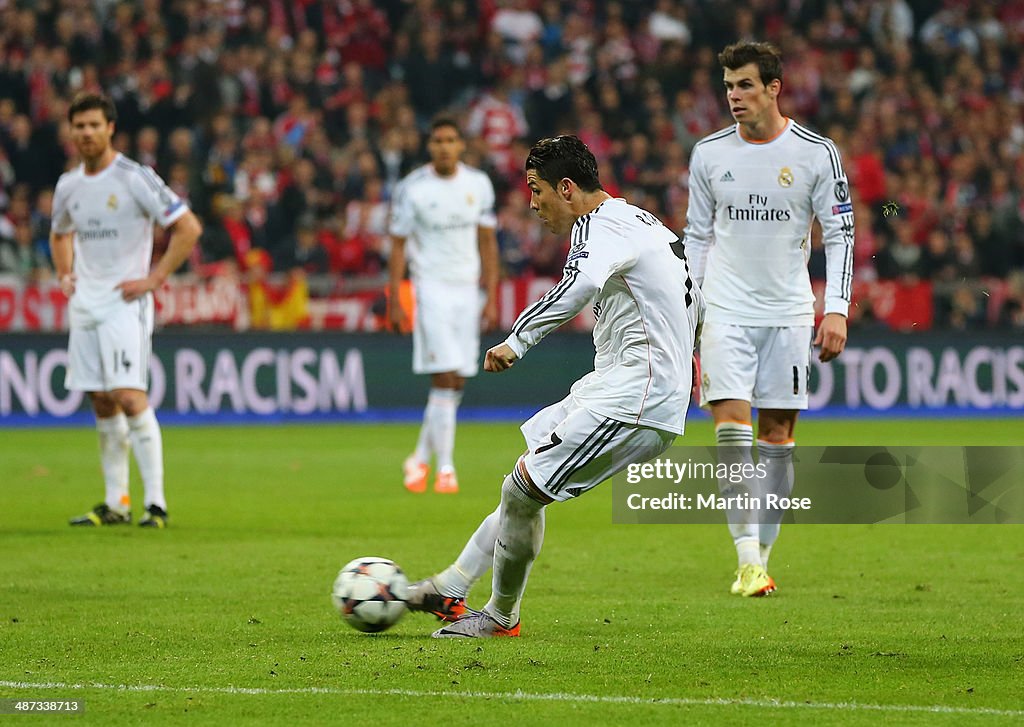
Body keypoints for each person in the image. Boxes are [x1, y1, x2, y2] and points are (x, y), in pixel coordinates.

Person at [404, 135, 704, 637]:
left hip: (636, 394)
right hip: (620, 385)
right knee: (520, 489)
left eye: (536, 189)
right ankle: (451, 587)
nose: (532, 202)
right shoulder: (640, 220)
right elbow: (690, 296)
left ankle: (500, 617)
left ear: (566, 188)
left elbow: (579, 285)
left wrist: (517, 340)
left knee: (523, 490)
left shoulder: (598, 227)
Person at [681, 42, 853, 596]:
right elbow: (697, 237)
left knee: (777, 437)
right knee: (731, 425)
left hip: (787, 311)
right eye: (729, 85)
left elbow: (841, 234)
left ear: (774, 88)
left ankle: (763, 554)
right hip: (726, 309)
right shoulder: (708, 154)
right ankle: (747, 561)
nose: (734, 95)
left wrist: (837, 310)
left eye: (746, 85)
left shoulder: (815, 153)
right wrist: (693, 311)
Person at [50, 92, 202, 528]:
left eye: (94, 125)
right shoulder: (69, 185)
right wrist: (65, 273)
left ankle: (156, 504)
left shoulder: (136, 177)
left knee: (130, 397)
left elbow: (187, 227)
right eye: (79, 126)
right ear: (72, 132)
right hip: (85, 303)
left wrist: (155, 279)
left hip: (124, 303)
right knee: (100, 399)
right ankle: (116, 502)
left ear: (110, 128)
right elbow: (60, 233)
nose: (87, 133)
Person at [387, 117, 500, 495]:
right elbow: (399, 243)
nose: (444, 147)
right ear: (429, 146)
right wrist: (395, 297)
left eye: (451, 140)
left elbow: (487, 241)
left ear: (461, 146)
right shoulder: (412, 188)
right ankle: (446, 468)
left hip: (467, 290)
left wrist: (492, 292)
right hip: (430, 287)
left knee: (458, 379)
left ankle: (419, 458)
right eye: (438, 140)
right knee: (444, 375)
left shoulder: (478, 185)